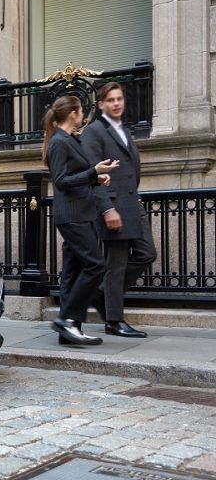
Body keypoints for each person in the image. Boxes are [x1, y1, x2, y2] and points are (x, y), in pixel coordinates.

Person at [81, 82, 157, 338]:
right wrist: (107, 209)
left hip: (132, 202)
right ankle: (114, 320)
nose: (116, 103)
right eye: (110, 99)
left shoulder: (124, 129)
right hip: (113, 205)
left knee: (147, 253)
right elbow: (93, 174)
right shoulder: (93, 132)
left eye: (119, 98)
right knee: (117, 264)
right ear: (101, 104)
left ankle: (102, 293)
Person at [43, 95, 119, 346]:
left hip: (81, 213)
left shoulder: (69, 140)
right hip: (72, 215)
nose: (83, 114)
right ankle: (66, 319)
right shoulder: (59, 142)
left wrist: (96, 178)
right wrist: (93, 172)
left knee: (74, 271)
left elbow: (76, 176)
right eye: (81, 110)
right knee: (96, 265)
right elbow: (62, 181)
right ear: (73, 113)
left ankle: (71, 328)